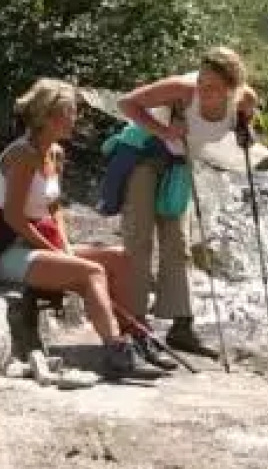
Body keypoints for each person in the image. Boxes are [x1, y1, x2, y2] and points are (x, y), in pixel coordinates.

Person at [0, 78, 171, 381]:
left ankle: (134, 334)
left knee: (121, 258)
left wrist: (65, 247)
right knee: (91, 273)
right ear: (50, 116)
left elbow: (54, 208)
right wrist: (55, 251)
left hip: (35, 245)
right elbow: (15, 217)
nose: (75, 119)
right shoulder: (24, 156)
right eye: (70, 112)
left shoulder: (54, 152)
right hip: (6, 252)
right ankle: (116, 351)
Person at [111, 47, 259, 356]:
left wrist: (247, 132)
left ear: (232, 88)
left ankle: (181, 328)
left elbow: (246, 120)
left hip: (180, 161)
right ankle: (135, 324)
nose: (204, 91)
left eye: (213, 87)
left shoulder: (245, 99)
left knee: (178, 241)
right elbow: (126, 103)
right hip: (144, 152)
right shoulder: (181, 89)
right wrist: (164, 130)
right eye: (202, 82)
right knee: (139, 237)